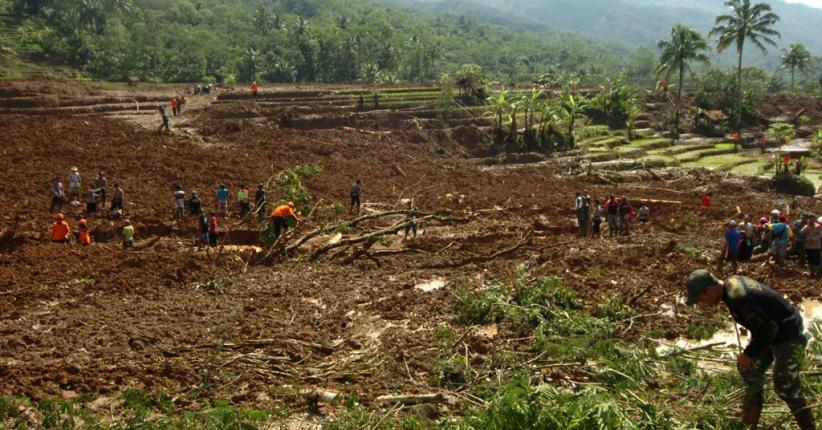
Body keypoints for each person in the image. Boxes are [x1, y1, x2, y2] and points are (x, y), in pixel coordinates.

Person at [684, 270, 815, 430]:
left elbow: (769, 328)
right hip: (773, 333)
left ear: (710, 290)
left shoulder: (738, 297)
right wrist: (750, 354)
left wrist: (749, 353)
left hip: (788, 336)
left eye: (700, 298)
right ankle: (749, 424)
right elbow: (761, 325)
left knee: (786, 388)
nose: (702, 303)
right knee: (749, 369)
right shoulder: (730, 285)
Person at [800, 214, 821, 279]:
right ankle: (812, 272)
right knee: (810, 260)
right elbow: (801, 233)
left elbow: (820, 235)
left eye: (813, 218)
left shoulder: (818, 226)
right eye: (810, 218)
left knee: (816, 260)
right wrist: (807, 227)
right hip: (808, 246)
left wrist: (813, 239)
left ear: (815, 219)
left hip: (816, 246)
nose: (811, 220)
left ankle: (817, 273)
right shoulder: (807, 226)